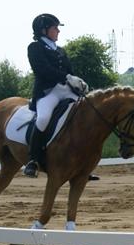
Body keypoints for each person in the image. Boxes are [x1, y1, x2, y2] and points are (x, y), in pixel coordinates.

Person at [24, 13, 88, 177]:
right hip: (48, 92)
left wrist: (79, 82)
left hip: (66, 90)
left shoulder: (60, 50)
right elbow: (42, 70)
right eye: (55, 28)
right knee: (43, 118)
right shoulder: (35, 48)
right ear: (44, 30)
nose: (58, 31)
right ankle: (34, 160)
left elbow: (70, 72)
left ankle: (83, 162)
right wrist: (66, 77)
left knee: (86, 113)